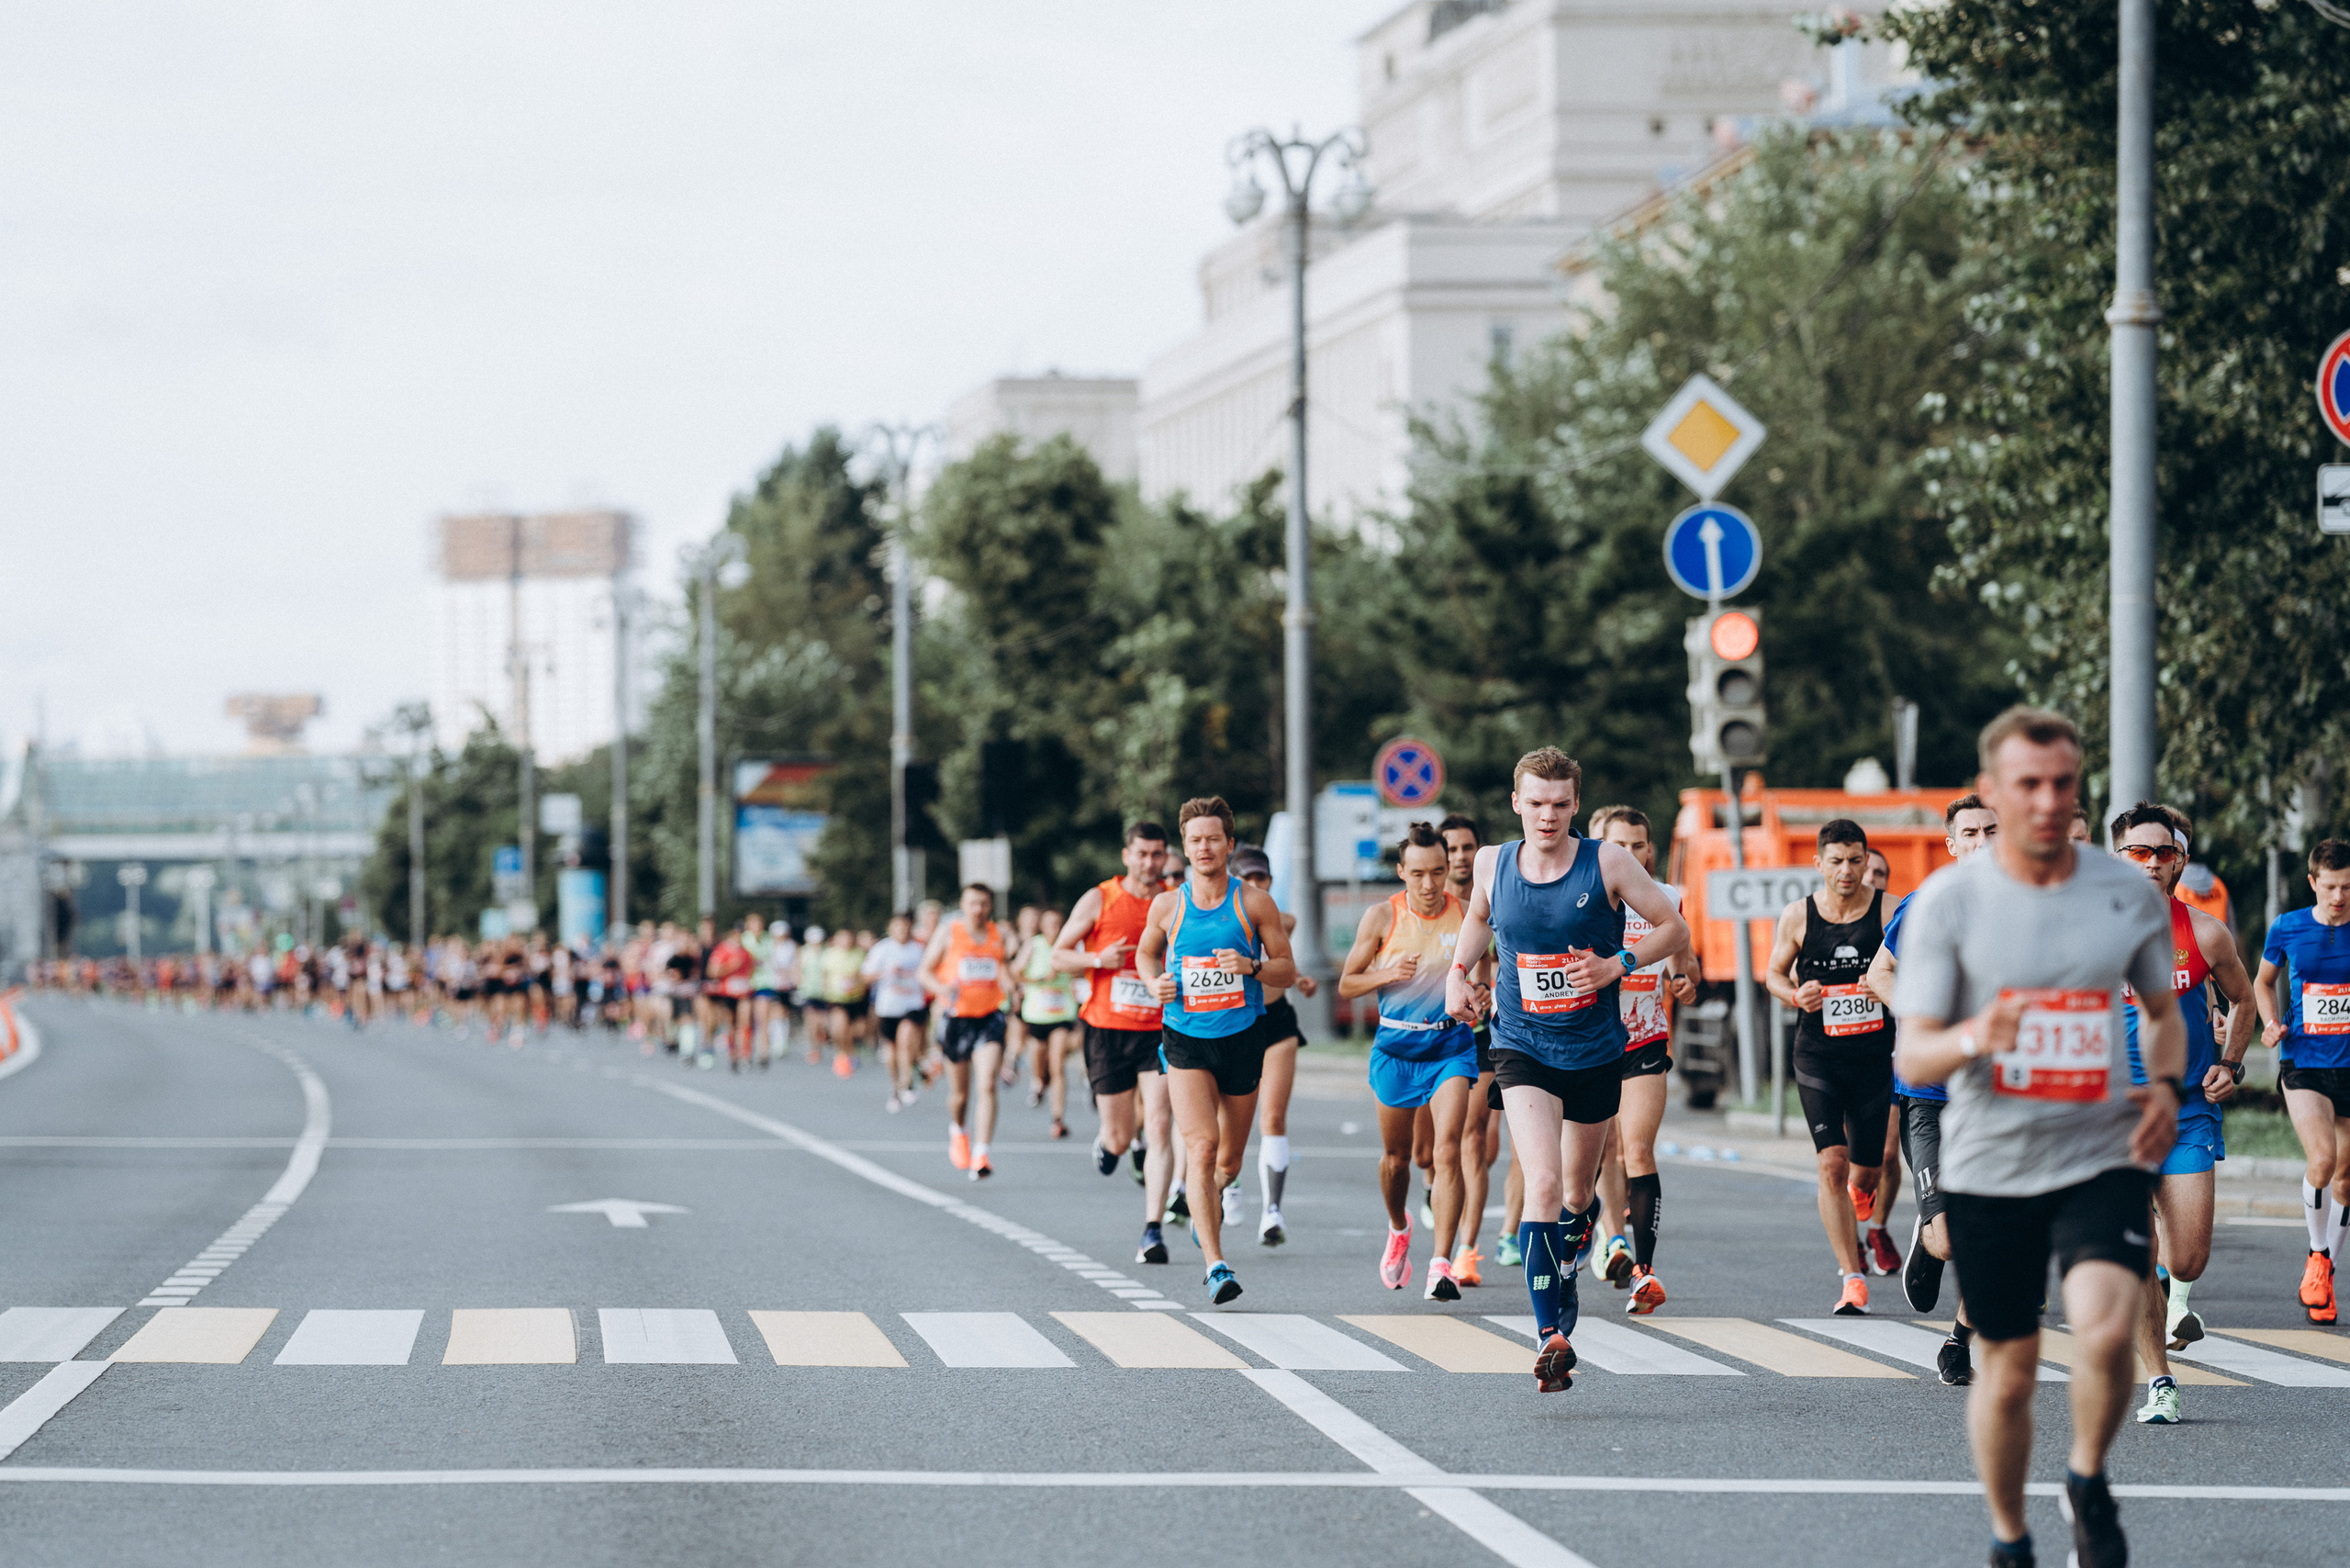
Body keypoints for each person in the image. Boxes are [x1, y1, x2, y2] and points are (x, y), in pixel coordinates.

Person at [1894, 706, 2187, 1568]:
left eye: (2063, 783)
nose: (2050, 801)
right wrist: (1979, 1035)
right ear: (1993, 792)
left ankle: (2088, 1479)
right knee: (2010, 1366)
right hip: (1991, 1164)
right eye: (2029, 785)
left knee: (2103, 1332)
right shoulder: (1949, 901)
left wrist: (2163, 1083)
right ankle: (2009, 1536)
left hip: (2100, 1150)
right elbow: (1915, 1049)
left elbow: (2165, 1014)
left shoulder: (2123, 891)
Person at [1444, 748, 1690, 1393]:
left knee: (1579, 1197)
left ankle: (1569, 1271)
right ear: (1517, 801)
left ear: (1575, 804)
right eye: (1536, 803)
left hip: (1595, 1051)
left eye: (1560, 804)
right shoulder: (1495, 862)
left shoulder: (1607, 861)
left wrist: (1620, 964)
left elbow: (1673, 926)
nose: (1547, 816)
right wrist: (1457, 973)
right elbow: (1476, 919)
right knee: (1544, 1185)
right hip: (1520, 1045)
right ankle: (1549, 1333)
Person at [2108, 802, 2255, 1425]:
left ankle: (2168, 1295)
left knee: (2187, 1259)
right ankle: (2159, 1380)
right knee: (2136, 1243)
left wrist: (2231, 1063)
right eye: (2136, 852)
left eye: (2161, 852)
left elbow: (2244, 1001)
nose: (2149, 862)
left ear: (2179, 861)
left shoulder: (2205, 934)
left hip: (2188, 1108)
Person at [1137, 796, 1297, 1305]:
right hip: (1184, 1038)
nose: (1203, 848)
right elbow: (1145, 954)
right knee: (1201, 1148)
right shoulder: (1168, 905)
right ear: (1183, 849)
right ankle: (1216, 1263)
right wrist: (1153, 982)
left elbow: (1286, 970)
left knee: (1227, 1160)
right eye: (1194, 840)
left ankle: (1207, 1204)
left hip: (1242, 1039)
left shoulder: (1253, 903)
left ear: (1229, 844)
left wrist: (1249, 967)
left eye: (1212, 839)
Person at [1863, 790, 1998, 1383]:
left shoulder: (2029, 908)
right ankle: (1928, 1238)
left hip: (1999, 1095)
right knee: (1948, 1238)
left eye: (1992, 831)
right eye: (1970, 833)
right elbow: (1879, 972)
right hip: (1931, 1095)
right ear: (1951, 844)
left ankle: (1960, 1340)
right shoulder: (1926, 904)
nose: (1982, 843)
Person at [1766, 819, 1902, 1315]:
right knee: (1831, 1163)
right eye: (1837, 861)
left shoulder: (1889, 911)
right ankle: (1853, 1277)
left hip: (1873, 1059)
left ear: (1868, 862)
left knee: (1867, 1173)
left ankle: (1860, 1200)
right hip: (1818, 1055)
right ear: (1819, 864)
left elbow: (1917, 970)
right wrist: (1794, 996)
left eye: (1856, 860)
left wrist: (1885, 982)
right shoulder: (1798, 917)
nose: (1847, 871)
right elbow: (1773, 974)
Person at [1340, 822, 1480, 1299]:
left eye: (1437, 872)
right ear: (1401, 871)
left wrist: (1479, 993)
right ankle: (1399, 1227)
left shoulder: (1467, 914)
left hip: (1450, 1049)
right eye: (1418, 873)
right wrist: (1383, 974)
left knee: (1447, 1149)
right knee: (1397, 1161)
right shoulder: (1382, 917)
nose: (1428, 884)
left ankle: (1441, 1264)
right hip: (1396, 1050)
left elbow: (1486, 975)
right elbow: (1347, 983)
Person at [1055, 822, 1181, 1265]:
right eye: (1142, 854)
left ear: (1166, 857)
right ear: (1127, 855)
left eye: (1158, 854)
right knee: (1120, 1135)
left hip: (1159, 1031)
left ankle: (1152, 1231)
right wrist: (1096, 959)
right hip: (1107, 1030)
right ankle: (1108, 1145)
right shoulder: (1100, 898)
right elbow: (1057, 954)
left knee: (1160, 1127)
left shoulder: (1175, 900)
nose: (1150, 863)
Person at [1588, 804, 1695, 1315]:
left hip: (1647, 1038)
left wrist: (1684, 980)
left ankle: (1644, 1274)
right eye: (1619, 846)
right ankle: (1613, 1238)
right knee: (1605, 1152)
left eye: (1637, 845)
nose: (1629, 854)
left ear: (1649, 851)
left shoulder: (1667, 898)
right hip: (1593, 1042)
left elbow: (1685, 960)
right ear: (1603, 848)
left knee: (1638, 1150)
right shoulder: (1588, 898)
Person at [2255, 836, 2350, 1326]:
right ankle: (2317, 1253)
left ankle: (2326, 1272)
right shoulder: (2287, 927)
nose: (2339, 897)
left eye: (2348, 887)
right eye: (2331, 887)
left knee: (2347, 1180)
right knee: (2323, 1159)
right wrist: (2269, 1022)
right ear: (2313, 882)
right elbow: (2262, 981)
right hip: (2304, 1061)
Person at [1230, 845, 1318, 1248]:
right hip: (1232, 1024)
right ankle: (1228, 1182)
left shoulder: (1282, 918)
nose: (1253, 885)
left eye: (1260, 878)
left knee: (1274, 1117)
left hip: (1276, 1021)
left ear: (1269, 881)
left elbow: (1280, 952)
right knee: (1229, 1124)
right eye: (1245, 878)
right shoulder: (1216, 919)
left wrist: (1297, 978)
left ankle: (1272, 1212)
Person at [1438, 814, 1502, 1283]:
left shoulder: (1491, 900)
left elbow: (1500, 963)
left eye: (1467, 848)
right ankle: (1438, 1192)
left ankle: (1467, 1250)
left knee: (1473, 1138)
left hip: (1477, 1039)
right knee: (1431, 1152)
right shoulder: (1417, 907)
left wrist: (1485, 989)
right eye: (1451, 848)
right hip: (1425, 1042)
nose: (1460, 857)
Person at [918, 884, 1014, 1181]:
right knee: (960, 1095)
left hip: (989, 1017)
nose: (979, 910)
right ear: (963, 904)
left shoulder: (999, 934)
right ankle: (959, 1130)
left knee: (987, 1085)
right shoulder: (949, 931)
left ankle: (981, 1153)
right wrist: (941, 989)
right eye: (973, 903)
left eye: (984, 904)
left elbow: (1003, 969)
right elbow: (924, 971)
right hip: (957, 1018)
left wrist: (1011, 984)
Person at [1017, 908, 1080, 1138]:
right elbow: (1016, 972)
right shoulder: (1033, 945)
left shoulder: (1069, 946)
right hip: (1037, 1014)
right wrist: (1041, 978)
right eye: (1050, 923)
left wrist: (1069, 968)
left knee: (1057, 1065)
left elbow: (1083, 971)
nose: (1055, 928)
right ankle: (1038, 1082)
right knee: (1038, 1059)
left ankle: (1057, 1119)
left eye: (1059, 923)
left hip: (1062, 1013)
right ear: (1042, 926)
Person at [864, 913, 930, 1112]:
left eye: (905, 927)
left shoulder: (919, 950)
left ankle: (907, 1082)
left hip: (912, 1005)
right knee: (890, 1053)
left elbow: (931, 972)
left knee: (905, 1042)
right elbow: (865, 976)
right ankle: (895, 1087)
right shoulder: (882, 949)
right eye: (897, 927)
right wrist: (885, 973)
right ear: (890, 929)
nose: (901, 931)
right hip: (888, 1006)